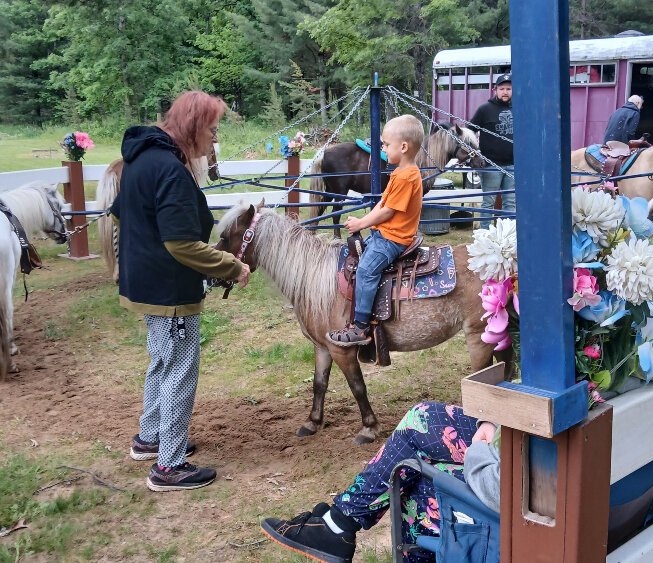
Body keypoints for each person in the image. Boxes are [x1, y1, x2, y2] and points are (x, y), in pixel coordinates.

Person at [111, 90, 251, 492]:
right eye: (212, 129)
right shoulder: (170, 169)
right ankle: (169, 466)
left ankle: (151, 438)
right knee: (179, 371)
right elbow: (181, 245)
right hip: (170, 290)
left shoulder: (142, 159)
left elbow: (121, 214)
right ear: (194, 128)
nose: (214, 138)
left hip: (147, 282)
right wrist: (232, 264)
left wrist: (140, 259)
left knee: (162, 361)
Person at [261, 402, 499, 563]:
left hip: (517, 473)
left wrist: (480, 452)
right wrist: (492, 422)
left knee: (419, 430)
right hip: (519, 438)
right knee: (413, 457)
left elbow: (498, 486)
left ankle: (338, 524)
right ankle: (339, 523)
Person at [326, 114, 425, 346]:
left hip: (394, 238)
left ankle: (360, 326)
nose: (382, 148)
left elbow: (388, 211)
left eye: (386, 145)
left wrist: (362, 223)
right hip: (383, 233)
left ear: (403, 147)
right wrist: (364, 220)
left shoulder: (407, 177)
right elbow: (382, 202)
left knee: (367, 271)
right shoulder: (399, 172)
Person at [469, 72, 515, 227]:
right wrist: (474, 153)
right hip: (490, 165)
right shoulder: (484, 109)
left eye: (509, 88)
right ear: (495, 90)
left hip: (513, 165)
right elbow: (469, 132)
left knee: (510, 204)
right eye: (502, 88)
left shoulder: (520, 109)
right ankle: (485, 238)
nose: (505, 92)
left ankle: (509, 238)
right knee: (488, 203)